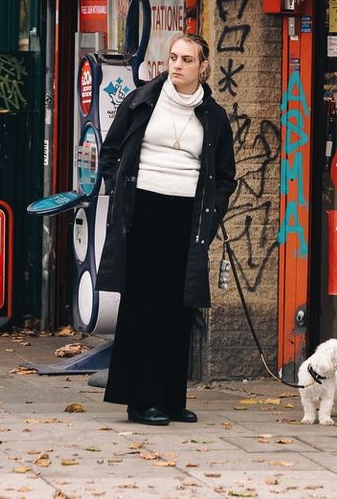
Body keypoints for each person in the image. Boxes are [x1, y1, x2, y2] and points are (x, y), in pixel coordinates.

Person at [96, 32, 237, 426]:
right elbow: (111, 152)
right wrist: (119, 191)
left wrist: (211, 215)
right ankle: (140, 400)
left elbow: (225, 175)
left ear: (203, 67)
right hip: (143, 210)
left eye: (187, 59)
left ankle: (171, 398)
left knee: (179, 306)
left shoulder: (213, 116)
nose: (177, 65)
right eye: (173, 57)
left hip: (187, 217)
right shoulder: (143, 100)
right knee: (144, 304)